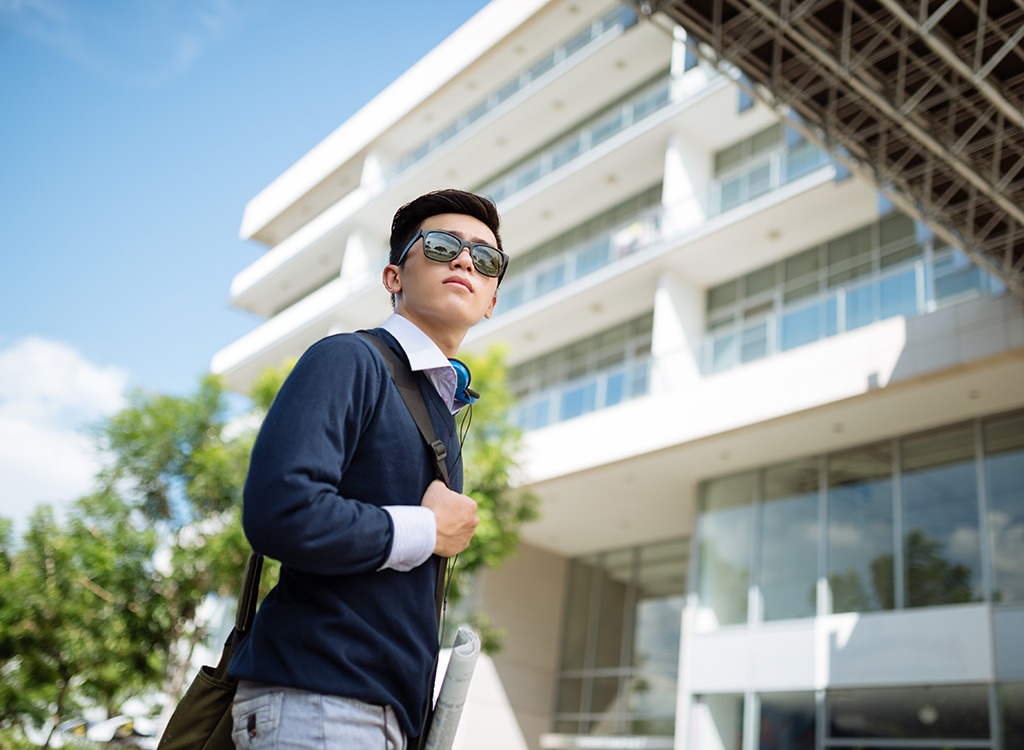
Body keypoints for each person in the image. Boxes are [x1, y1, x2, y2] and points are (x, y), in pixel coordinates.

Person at [228, 189, 509, 749]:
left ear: (492, 301)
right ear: (393, 277)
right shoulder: (349, 359)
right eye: (442, 245)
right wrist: (428, 530)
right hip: (321, 702)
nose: (463, 260)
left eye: (486, 258)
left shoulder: (442, 408)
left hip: (379, 718)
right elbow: (281, 510)